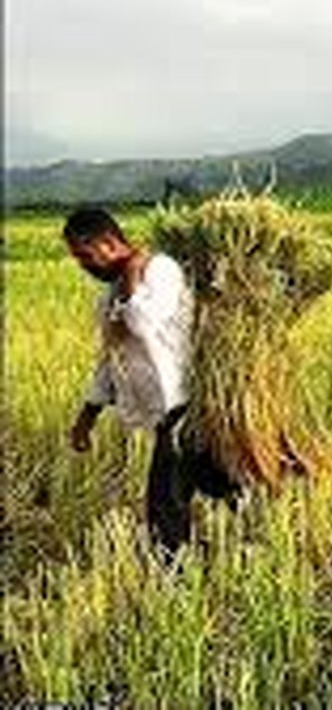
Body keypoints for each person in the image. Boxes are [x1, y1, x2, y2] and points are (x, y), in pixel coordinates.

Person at [64, 208, 238, 557]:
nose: (83, 265)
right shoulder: (111, 293)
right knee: (212, 478)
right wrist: (88, 415)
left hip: (182, 404)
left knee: (164, 501)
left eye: (86, 256)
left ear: (109, 243)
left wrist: (131, 276)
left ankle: (172, 574)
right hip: (162, 413)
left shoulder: (160, 270)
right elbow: (111, 360)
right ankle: (245, 521)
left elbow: (143, 323)